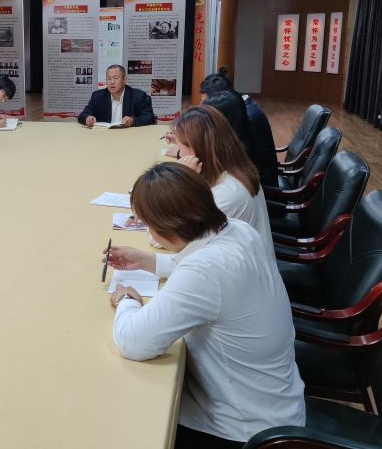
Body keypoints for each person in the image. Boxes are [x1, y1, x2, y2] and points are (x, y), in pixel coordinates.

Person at [105, 162, 305, 447]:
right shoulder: (237, 230)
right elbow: (211, 278)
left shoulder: (204, 272)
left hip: (242, 430)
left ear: (164, 227)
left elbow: (133, 342)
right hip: (273, 402)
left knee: (128, 416)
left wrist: (127, 300)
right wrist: (150, 261)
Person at [163, 105, 273, 256]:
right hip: (239, 260)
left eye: (181, 149)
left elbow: (168, 240)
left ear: (197, 151)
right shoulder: (234, 167)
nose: (180, 156)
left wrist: (182, 182)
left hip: (236, 268)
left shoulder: (224, 196)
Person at [200, 68, 279, 187]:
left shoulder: (247, 118)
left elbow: (226, 158)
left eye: (206, 103)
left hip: (260, 183)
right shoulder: (242, 110)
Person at [78, 64, 155, 128]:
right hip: (104, 136)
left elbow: (150, 118)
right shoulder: (98, 96)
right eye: (109, 79)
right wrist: (87, 118)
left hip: (129, 136)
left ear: (124, 79)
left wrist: (132, 121)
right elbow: (83, 115)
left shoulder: (138, 96)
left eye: (116, 78)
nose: (112, 82)